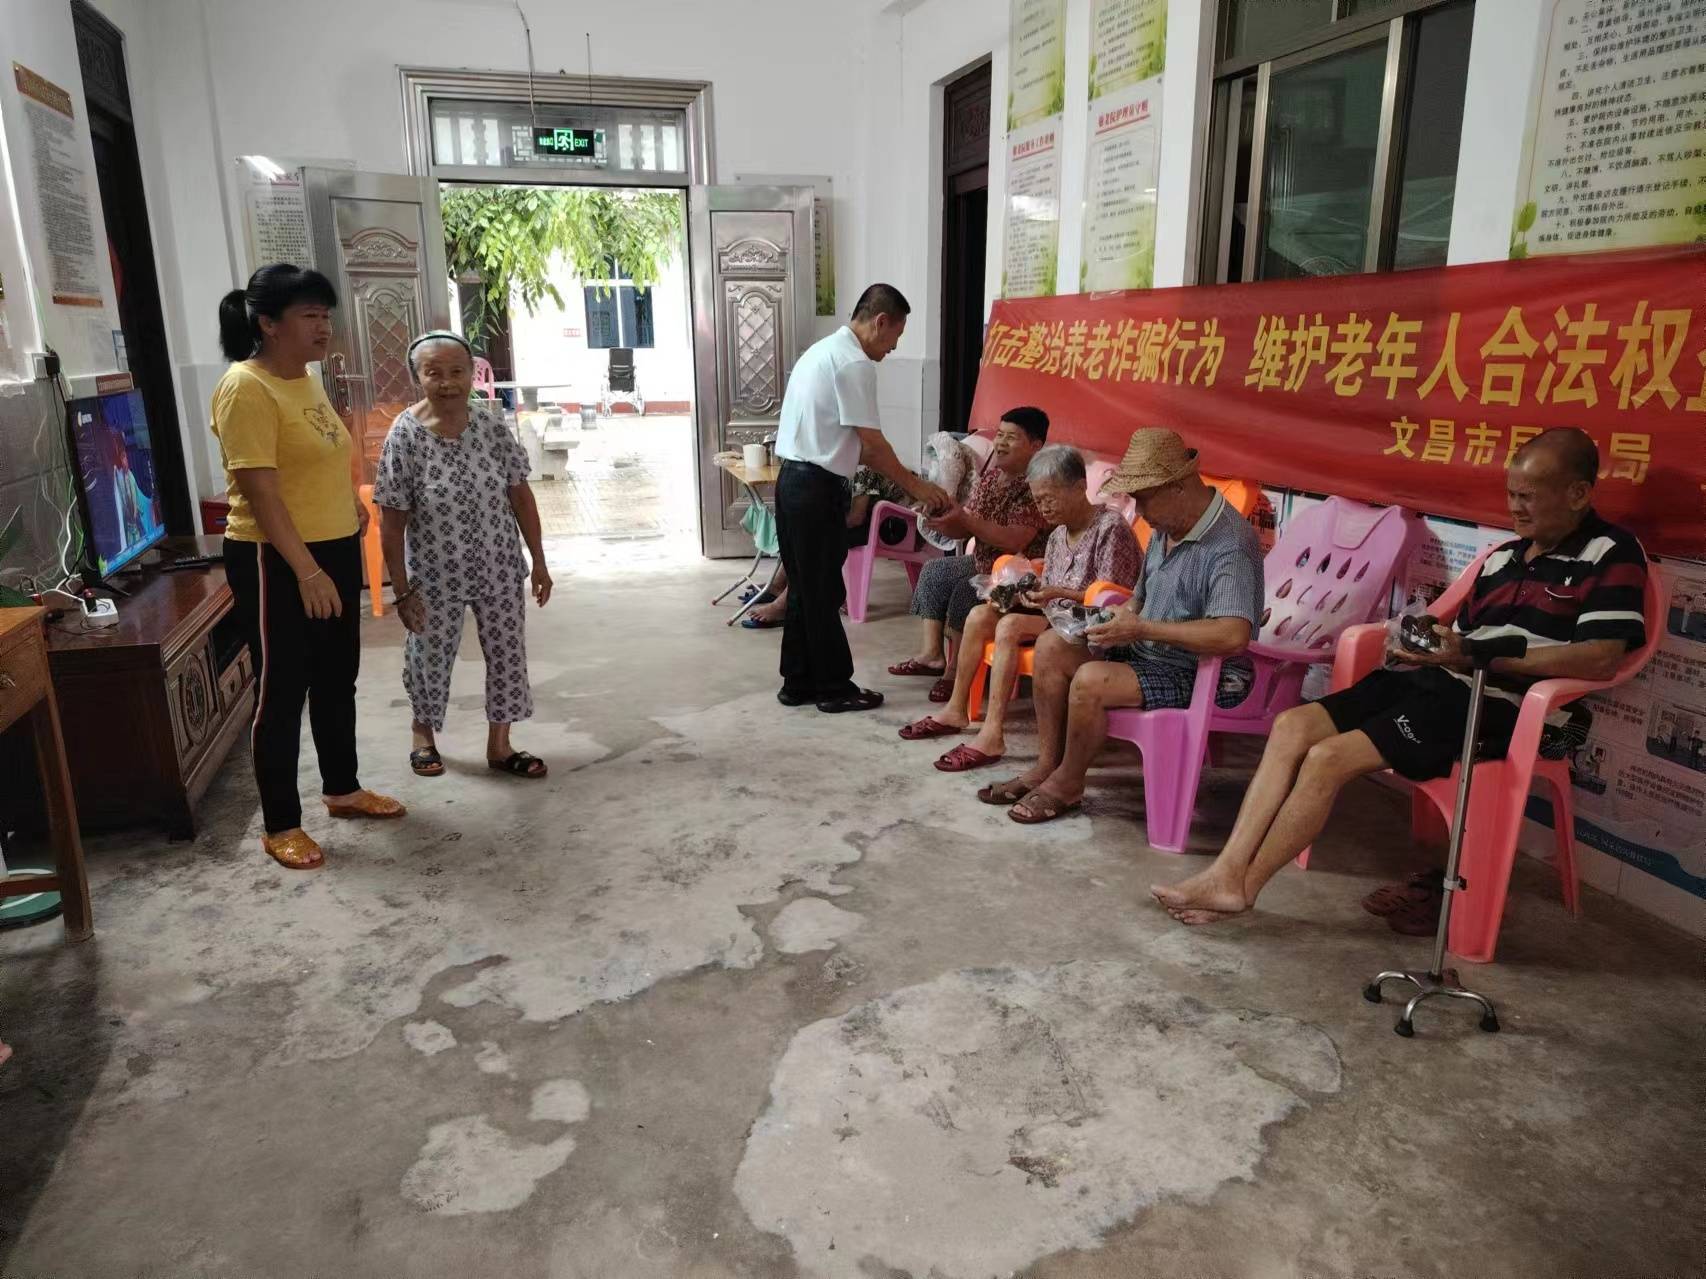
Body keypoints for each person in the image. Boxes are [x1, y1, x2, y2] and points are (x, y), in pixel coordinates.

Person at [1152, 427, 1649, 932]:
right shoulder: (1504, 556)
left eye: (1528, 497)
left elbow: (1601, 659)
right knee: (1292, 727)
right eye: (1511, 495)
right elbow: (1460, 632)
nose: (1515, 508)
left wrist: (1474, 654)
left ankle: (1243, 889)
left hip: (1501, 703)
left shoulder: (1612, 554)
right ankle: (1225, 872)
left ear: (1577, 493)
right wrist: (1426, 638)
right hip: (1443, 681)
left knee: (1327, 758)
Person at [212, 264, 405, 871]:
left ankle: (342, 789)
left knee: (337, 676)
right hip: (275, 557)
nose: (324, 327)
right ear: (269, 324)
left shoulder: (306, 378)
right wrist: (306, 571)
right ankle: (280, 824)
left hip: (332, 545)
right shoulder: (246, 387)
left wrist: (349, 503)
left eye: (326, 315)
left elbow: (321, 455)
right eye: (309, 316)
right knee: (282, 687)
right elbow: (262, 492)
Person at [981, 428, 1263, 824]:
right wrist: (1119, 617)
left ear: (1178, 487)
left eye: (1143, 499)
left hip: (1202, 672)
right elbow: (1139, 599)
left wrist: (1141, 629)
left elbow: (1232, 635)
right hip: (1152, 653)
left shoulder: (1230, 543)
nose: (1140, 511)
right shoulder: (1167, 528)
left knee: (1091, 680)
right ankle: (1047, 765)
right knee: (1051, 646)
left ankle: (1068, 783)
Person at [372, 332, 553, 780]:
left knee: (507, 653)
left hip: (499, 566)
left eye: (457, 371)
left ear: (473, 374)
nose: (447, 382)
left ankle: (500, 745)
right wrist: (402, 590)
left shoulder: (490, 426)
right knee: (428, 656)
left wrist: (539, 560)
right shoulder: (404, 435)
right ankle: (422, 735)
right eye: (434, 372)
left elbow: (520, 495)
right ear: (418, 377)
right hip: (434, 575)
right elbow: (391, 522)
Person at [898, 444, 1142, 771]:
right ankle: (956, 709)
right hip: (1057, 617)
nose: (1043, 508)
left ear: (1079, 487)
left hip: (1093, 628)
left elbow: (1111, 600)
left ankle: (992, 734)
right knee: (980, 614)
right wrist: (1022, 593)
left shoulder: (1110, 528)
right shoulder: (1057, 535)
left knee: (1010, 626)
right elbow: (1050, 592)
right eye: (1038, 500)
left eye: (1049, 498)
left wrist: (1056, 592)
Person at [773, 283, 951, 713]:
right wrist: (918, 488)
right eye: (896, 336)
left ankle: (798, 682)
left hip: (792, 481)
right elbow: (871, 447)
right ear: (880, 321)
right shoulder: (853, 362)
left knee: (804, 588)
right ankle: (834, 688)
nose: (894, 347)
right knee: (823, 590)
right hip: (815, 488)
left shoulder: (821, 351)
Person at [888, 408, 1052, 701]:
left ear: (1036, 445)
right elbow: (965, 529)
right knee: (936, 571)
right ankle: (932, 655)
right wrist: (943, 520)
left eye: (1011, 437)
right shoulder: (991, 478)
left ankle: (955, 672)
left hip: (1021, 575)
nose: (1000, 443)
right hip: (984, 562)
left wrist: (963, 517)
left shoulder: (1037, 486)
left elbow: (1014, 540)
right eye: (999, 435)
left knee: (966, 589)